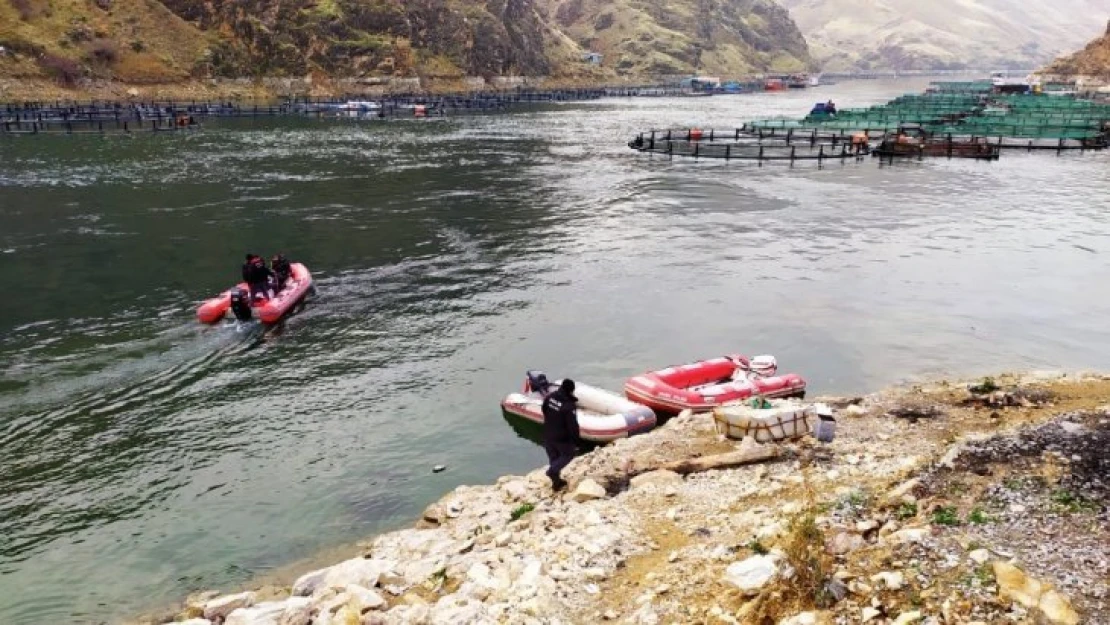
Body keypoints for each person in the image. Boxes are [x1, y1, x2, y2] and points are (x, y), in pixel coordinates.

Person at [541, 378, 580, 491]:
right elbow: (573, 426)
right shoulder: (569, 406)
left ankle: (556, 483)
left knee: (554, 457)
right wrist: (576, 442)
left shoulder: (550, 397)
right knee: (568, 455)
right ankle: (552, 471)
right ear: (571, 390)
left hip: (547, 432)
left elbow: (544, 409)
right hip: (561, 437)